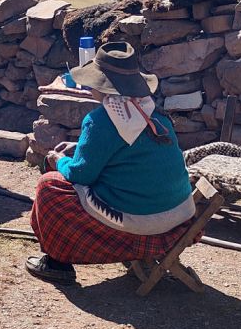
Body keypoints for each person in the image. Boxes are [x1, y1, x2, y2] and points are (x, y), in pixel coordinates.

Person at [26, 42, 197, 284]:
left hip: (142, 221)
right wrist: (79, 150)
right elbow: (130, 153)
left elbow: (80, 175)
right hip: (178, 215)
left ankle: (57, 263)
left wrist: (59, 160)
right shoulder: (156, 116)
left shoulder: (100, 121)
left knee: (49, 186)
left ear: (103, 86)